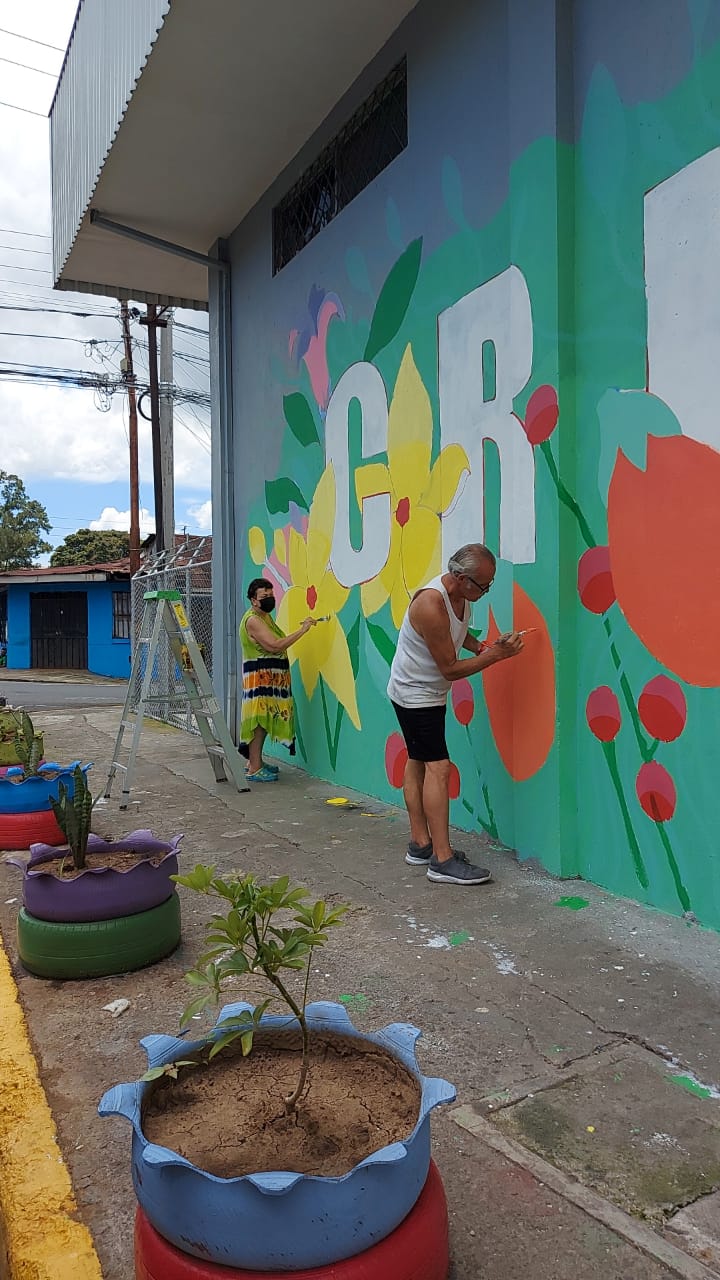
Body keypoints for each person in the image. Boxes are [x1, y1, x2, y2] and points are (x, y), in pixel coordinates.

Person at [387, 544, 523, 885]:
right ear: (462, 579)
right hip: (416, 694)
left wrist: (484, 646)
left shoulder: (460, 596)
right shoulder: (431, 604)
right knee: (439, 768)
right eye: (483, 585)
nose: (486, 591)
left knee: (419, 760)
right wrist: (497, 657)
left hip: (424, 693)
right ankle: (441, 859)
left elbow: (455, 638)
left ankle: (420, 844)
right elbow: (448, 668)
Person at [239, 578, 315, 782]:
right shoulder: (254, 620)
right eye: (264, 597)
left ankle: (255, 762)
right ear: (254, 600)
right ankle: (254, 768)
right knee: (259, 721)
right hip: (260, 677)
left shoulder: (264, 617)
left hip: (268, 677)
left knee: (263, 720)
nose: (270, 599)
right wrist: (302, 630)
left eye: (271, 595)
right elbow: (275, 646)